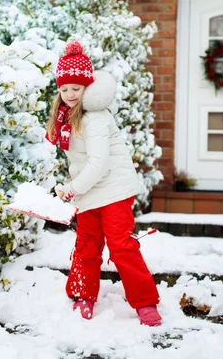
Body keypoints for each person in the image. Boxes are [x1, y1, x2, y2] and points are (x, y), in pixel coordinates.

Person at [45, 41, 162, 327]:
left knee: (121, 246)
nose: (70, 94)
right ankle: (83, 294)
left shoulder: (94, 118)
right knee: (86, 246)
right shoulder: (68, 117)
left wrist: (71, 189)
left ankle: (145, 302)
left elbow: (98, 165)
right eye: (64, 89)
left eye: (76, 88)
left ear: (87, 89)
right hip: (90, 194)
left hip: (113, 192)